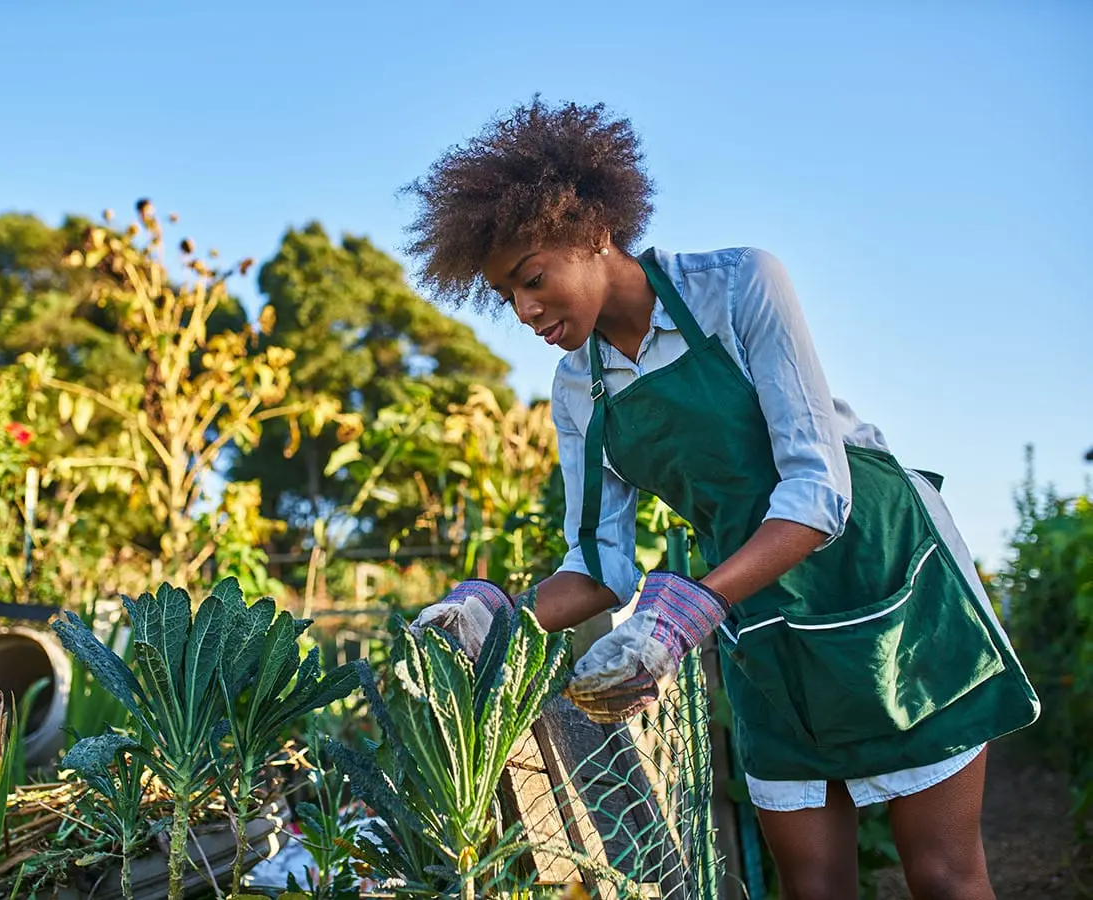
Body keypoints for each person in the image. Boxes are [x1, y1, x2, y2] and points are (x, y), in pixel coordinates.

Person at [403, 97, 1039, 900]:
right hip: (755, 605)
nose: (525, 310)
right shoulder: (578, 389)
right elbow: (598, 566)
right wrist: (497, 617)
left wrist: (684, 615)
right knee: (813, 884)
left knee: (943, 874)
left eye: (534, 278)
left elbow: (818, 491)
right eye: (506, 295)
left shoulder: (739, 285)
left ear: (594, 232)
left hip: (878, 575)